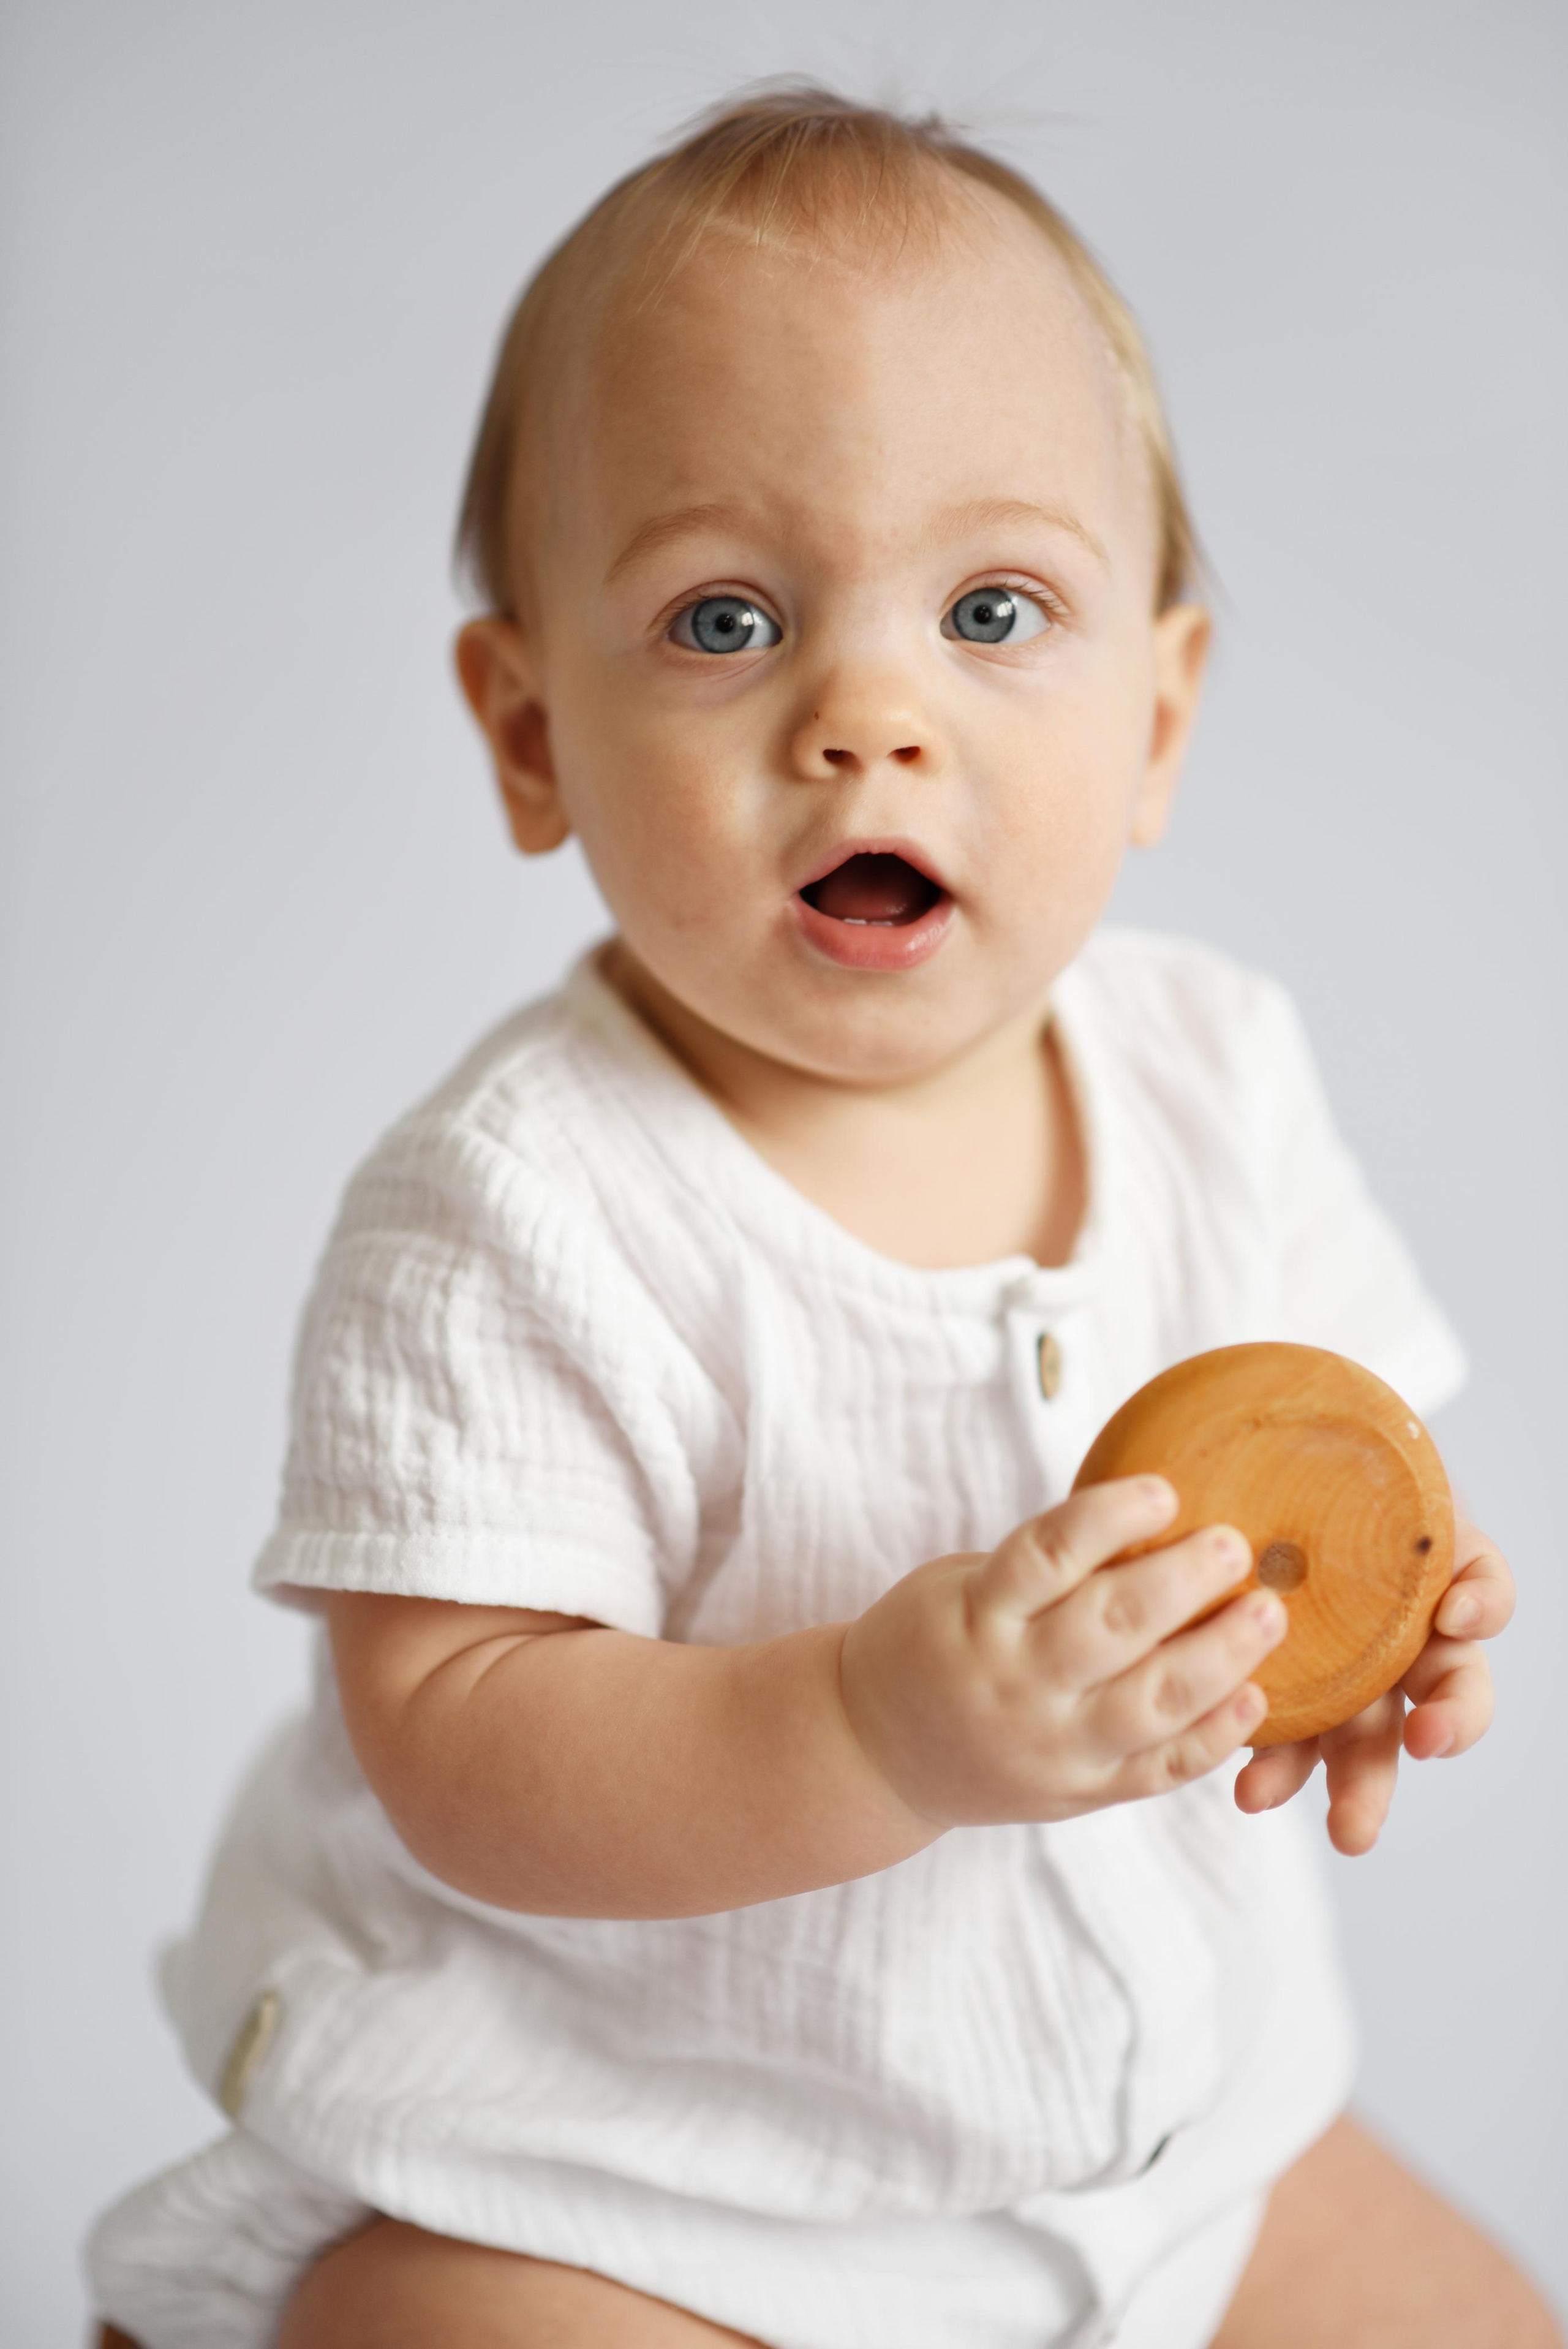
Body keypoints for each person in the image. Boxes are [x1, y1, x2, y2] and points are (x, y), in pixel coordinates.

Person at [87, 85, 1559, 2349]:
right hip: (624, 2188)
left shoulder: (1215, 1074)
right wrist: (877, 1730)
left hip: (1179, 2149)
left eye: (993, 607)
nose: (869, 715)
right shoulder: (515, 1205)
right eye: (725, 618)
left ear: (1157, 716)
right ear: (529, 736)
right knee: (445, 2328)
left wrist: (1407, 1630)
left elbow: (1352, 1471)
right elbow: (458, 1737)